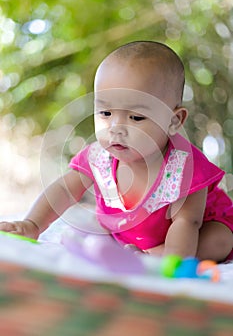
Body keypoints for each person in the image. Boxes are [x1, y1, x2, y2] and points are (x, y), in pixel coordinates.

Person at [1, 41, 233, 262]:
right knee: (88, 234)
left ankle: (154, 256)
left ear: (174, 120)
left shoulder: (183, 167)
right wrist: (32, 224)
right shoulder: (98, 159)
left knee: (218, 240)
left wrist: (170, 264)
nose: (116, 129)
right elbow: (63, 190)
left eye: (136, 117)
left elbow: (187, 223)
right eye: (105, 113)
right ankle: (134, 251)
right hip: (129, 234)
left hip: (197, 228)